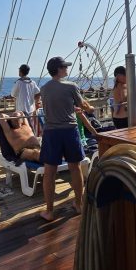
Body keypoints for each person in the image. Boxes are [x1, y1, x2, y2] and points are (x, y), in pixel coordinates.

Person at [39, 57, 98, 222]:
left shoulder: (44, 88)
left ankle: (49, 211)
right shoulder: (71, 86)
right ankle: (79, 205)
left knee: (49, 173)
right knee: (75, 168)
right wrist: (90, 108)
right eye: (65, 66)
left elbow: (53, 105)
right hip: (69, 131)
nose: (67, 69)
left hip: (51, 133)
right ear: (59, 68)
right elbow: (83, 105)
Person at [10, 64, 41, 135]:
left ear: (20, 71)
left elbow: (12, 94)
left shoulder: (19, 82)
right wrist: (36, 103)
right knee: (31, 127)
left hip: (21, 111)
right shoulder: (32, 82)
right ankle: (33, 141)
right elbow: (38, 93)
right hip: (31, 110)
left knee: (22, 128)